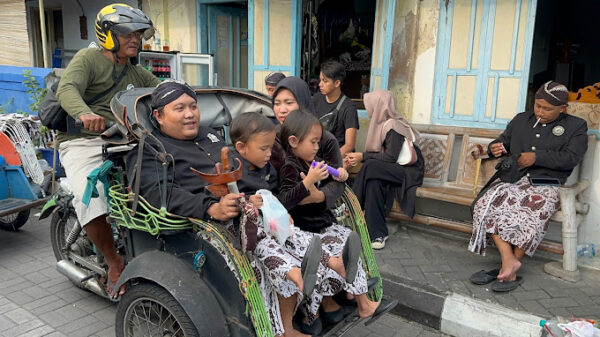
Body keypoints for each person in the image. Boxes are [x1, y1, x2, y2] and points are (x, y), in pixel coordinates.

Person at [56, 3, 160, 298]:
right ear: (108, 35)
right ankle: (114, 262)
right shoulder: (88, 58)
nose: (135, 40)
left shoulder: (134, 71)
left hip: (121, 139)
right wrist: (84, 113)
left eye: (138, 35)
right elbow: (67, 89)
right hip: (82, 142)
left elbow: (162, 89)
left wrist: (187, 96)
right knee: (93, 198)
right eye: (128, 34)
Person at [230, 112, 359, 337]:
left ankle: (334, 263)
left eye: (271, 148)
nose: (270, 154)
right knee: (275, 254)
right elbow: (229, 201)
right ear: (241, 147)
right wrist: (248, 203)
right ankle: (300, 279)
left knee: (297, 235)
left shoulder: (268, 168)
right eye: (264, 149)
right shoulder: (233, 172)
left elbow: (277, 198)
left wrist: (279, 211)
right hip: (251, 232)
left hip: (273, 222)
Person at [278, 109, 397, 335]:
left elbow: (334, 173)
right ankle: (319, 312)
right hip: (306, 229)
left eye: (318, 142)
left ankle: (361, 300)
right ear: (293, 141)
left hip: (321, 223)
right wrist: (308, 184)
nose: (316, 147)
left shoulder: (310, 161)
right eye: (313, 142)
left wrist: (340, 173)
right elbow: (284, 200)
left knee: (349, 243)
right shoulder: (290, 166)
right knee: (332, 255)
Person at [468, 81, 587, 292]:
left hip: (547, 184)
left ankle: (509, 266)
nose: (541, 111)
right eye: (538, 106)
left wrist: (537, 157)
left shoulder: (576, 126)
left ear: (563, 108)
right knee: (485, 205)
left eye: (547, 109)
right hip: (514, 179)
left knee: (529, 213)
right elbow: (503, 142)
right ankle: (509, 262)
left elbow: (571, 158)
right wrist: (496, 148)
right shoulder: (521, 119)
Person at [346, 90, 424, 250]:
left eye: (371, 106)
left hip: (407, 172)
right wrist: (364, 156)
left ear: (380, 106)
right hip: (393, 170)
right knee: (374, 181)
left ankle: (352, 204)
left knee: (369, 165)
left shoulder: (393, 126)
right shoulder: (384, 125)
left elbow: (390, 158)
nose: (369, 110)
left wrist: (362, 156)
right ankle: (378, 233)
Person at [270, 76, 348, 183]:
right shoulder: (271, 137)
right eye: (277, 103)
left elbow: (337, 181)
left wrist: (320, 195)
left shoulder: (327, 139)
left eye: (289, 103)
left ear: (303, 102)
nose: (282, 110)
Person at [311, 61, 359, 157]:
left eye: (325, 81)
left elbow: (349, 145)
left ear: (337, 83)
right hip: (317, 153)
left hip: (338, 155)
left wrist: (332, 160)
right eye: (320, 80)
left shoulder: (349, 107)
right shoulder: (316, 99)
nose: (320, 84)